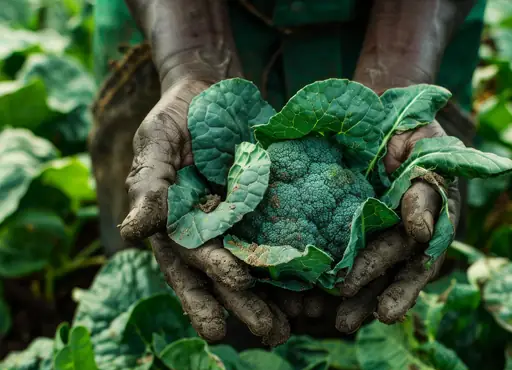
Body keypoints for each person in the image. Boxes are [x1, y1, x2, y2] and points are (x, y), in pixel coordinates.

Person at [89, 0, 486, 349]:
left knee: (405, 272)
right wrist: (191, 61)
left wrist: (403, 69)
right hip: (178, 19)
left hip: (413, 20)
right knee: (171, 293)